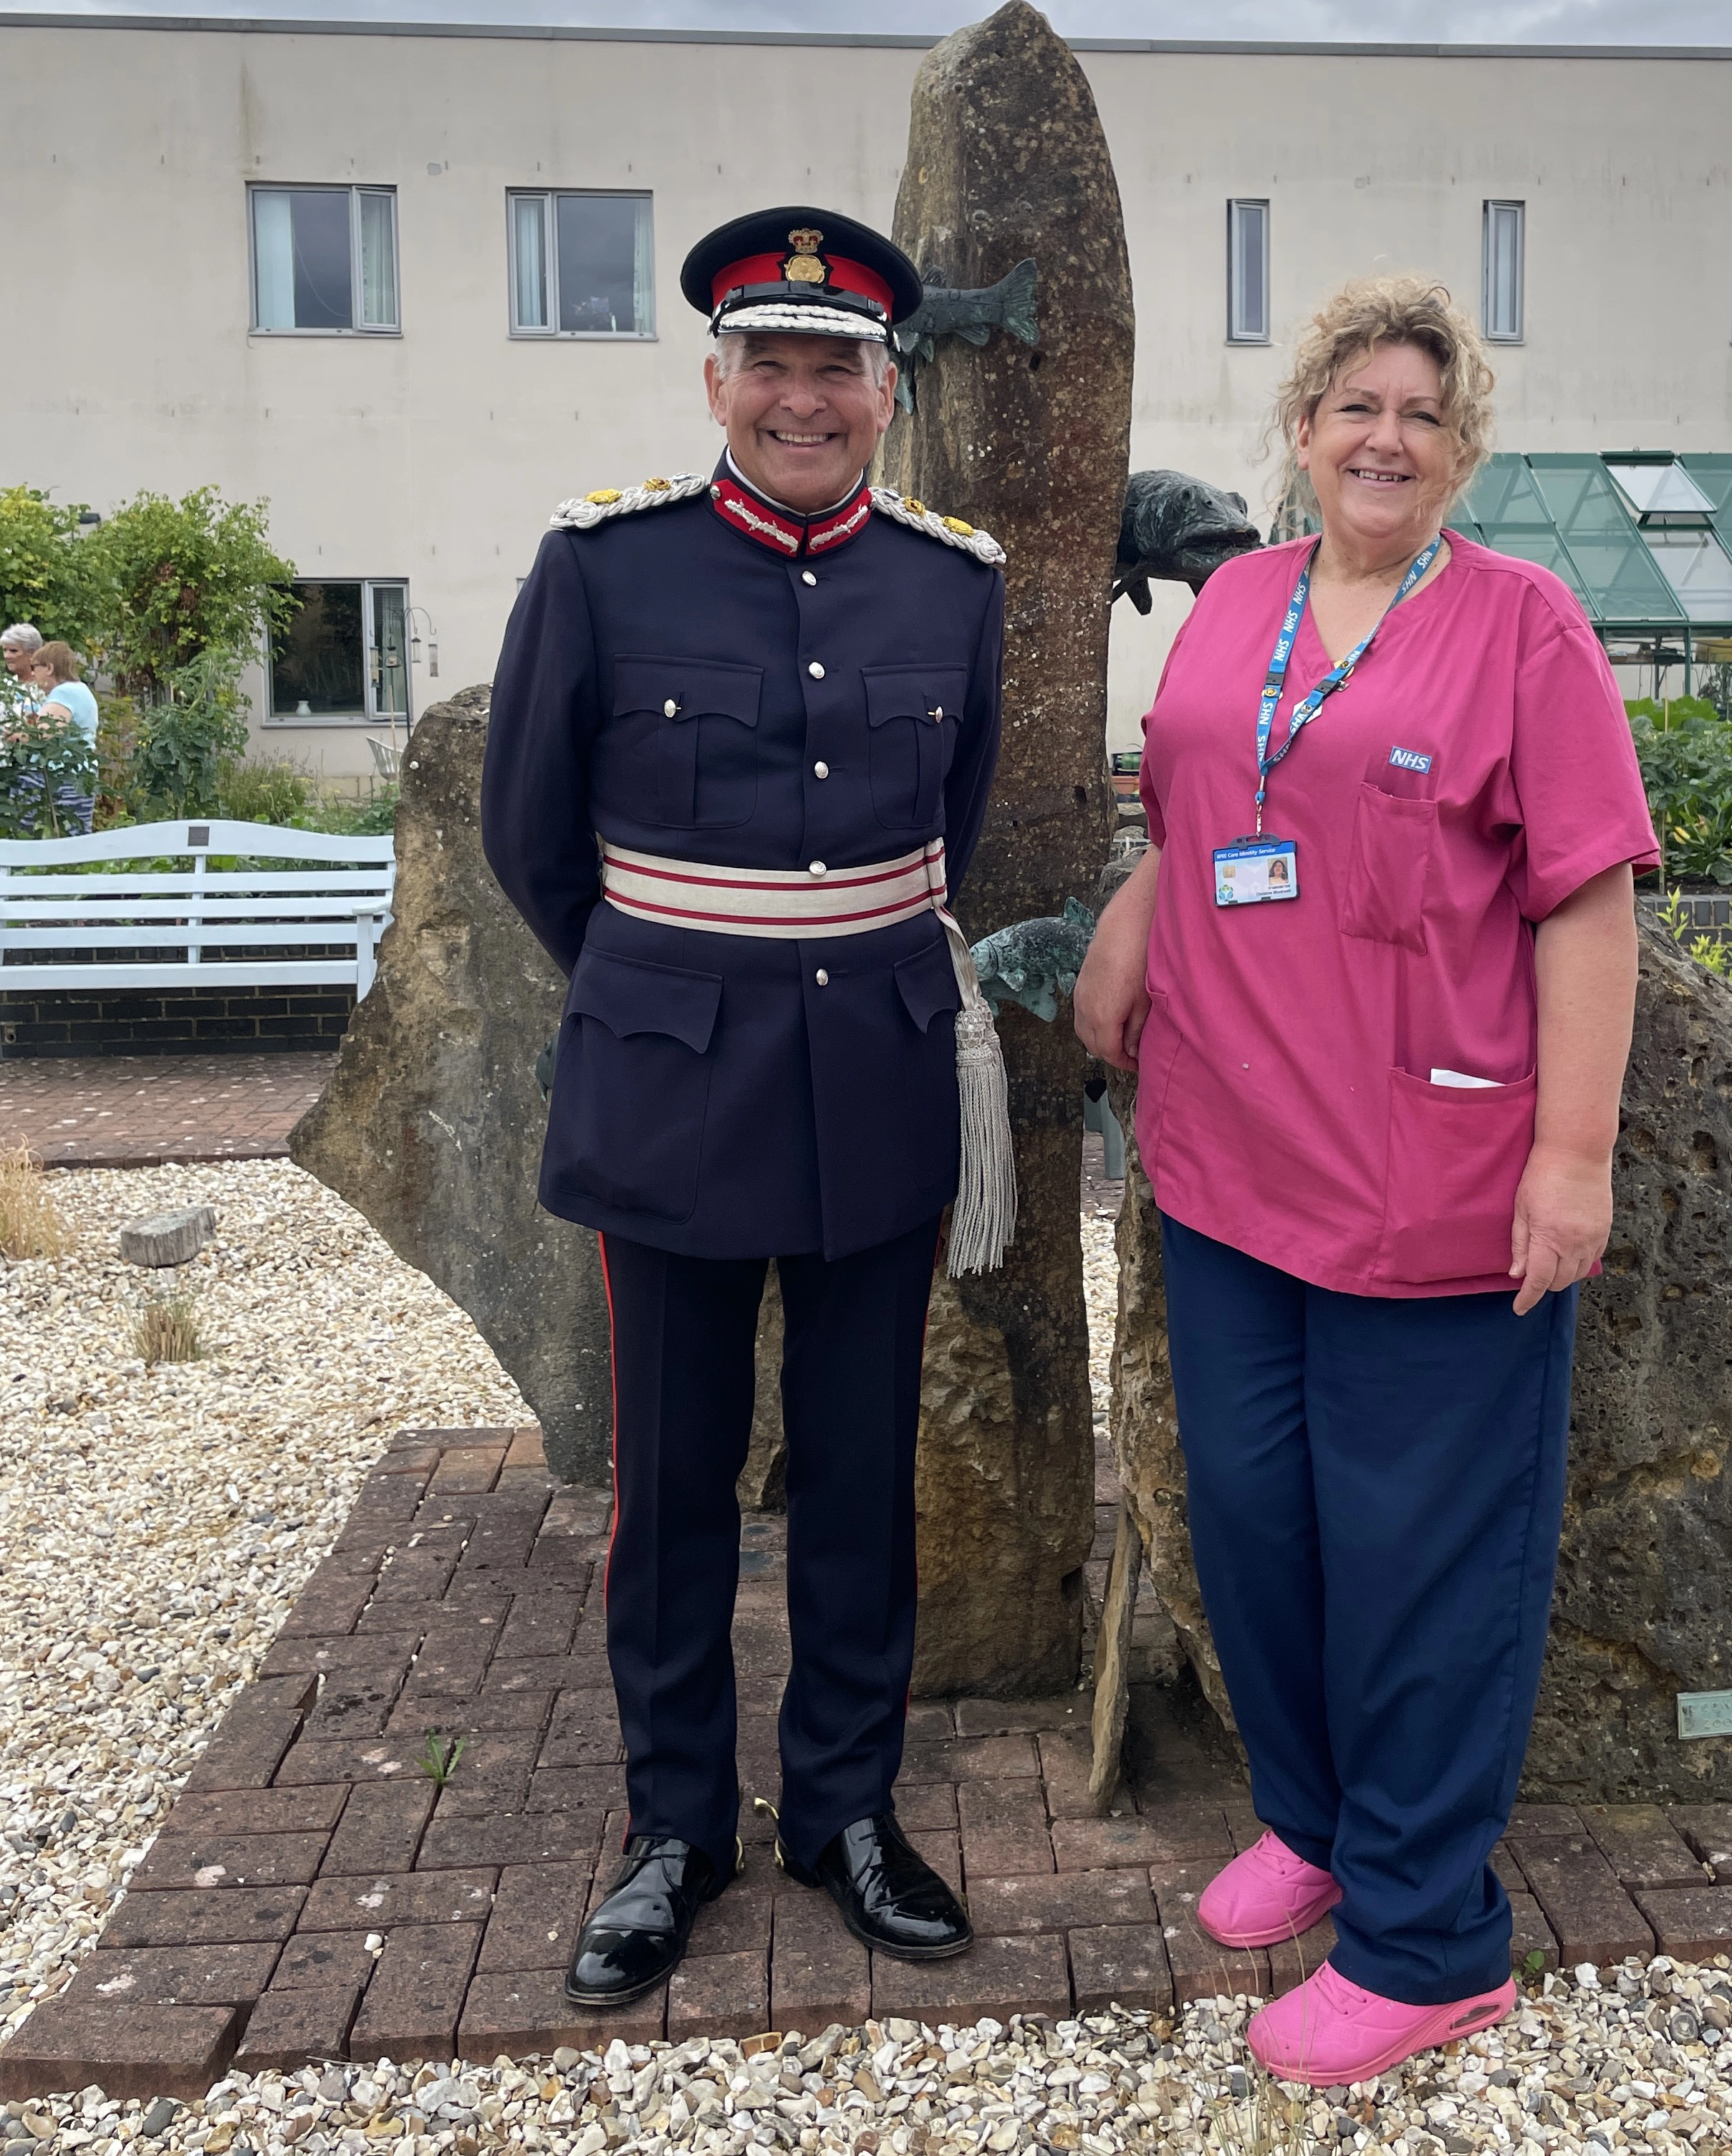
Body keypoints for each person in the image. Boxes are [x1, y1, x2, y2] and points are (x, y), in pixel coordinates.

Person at [1074, 274, 1658, 2087]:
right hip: (1227, 1166)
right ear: (1305, 429)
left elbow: (1588, 897)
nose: (1384, 438)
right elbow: (1206, 804)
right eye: (1356, 406)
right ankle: (1319, 1822)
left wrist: (1573, 1157)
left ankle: (1428, 1940)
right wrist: (1130, 927)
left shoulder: (1521, 627)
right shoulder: (1241, 602)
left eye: (1421, 411)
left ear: (1461, 445)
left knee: (1423, 1567)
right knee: (1259, 1527)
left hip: (1431, 1187)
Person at [483, 204, 1011, 2008]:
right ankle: (675, 1828)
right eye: (769, 363)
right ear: (715, 382)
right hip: (673, 1091)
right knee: (670, 1484)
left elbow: (953, 814)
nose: (803, 397)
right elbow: (534, 837)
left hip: (874, 1079)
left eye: (837, 368)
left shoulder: (953, 584)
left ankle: (846, 1810)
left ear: (888, 391)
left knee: (863, 1474)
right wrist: (668, 987)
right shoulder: (604, 566)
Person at [29, 643, 99, 748]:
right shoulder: (80, 688)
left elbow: (43, 734)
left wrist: (13, 736)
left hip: (66, 757)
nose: (32, 674)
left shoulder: (64, 692)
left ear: (49, 668)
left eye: (34, 667)